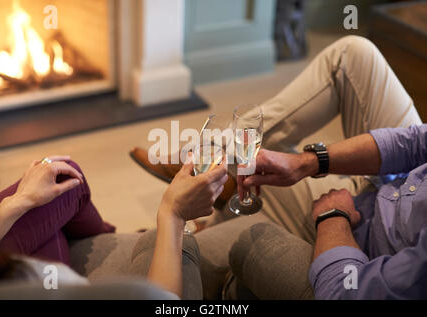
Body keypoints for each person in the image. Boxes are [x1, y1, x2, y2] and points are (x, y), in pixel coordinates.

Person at [130, 35, 425, 299]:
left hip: (361, 228)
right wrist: (308, 161)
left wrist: (334, 216)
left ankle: (207, 166)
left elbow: (347, 293)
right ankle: (216, 167)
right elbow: (416, 143)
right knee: (353, 54)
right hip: (396, 184)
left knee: (255, 167)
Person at [0, 122, 228, 298]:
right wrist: (172, 214)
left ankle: (106, 233)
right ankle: (110, 234)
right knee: (63, 184)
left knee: (61, 175)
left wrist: (20, 200)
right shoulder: (45, 281)